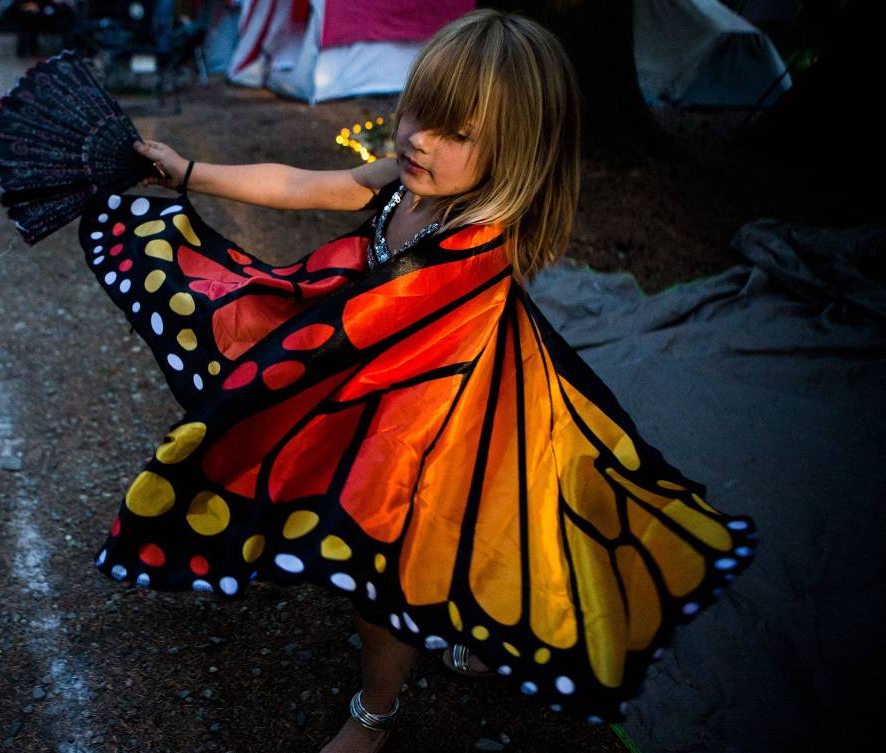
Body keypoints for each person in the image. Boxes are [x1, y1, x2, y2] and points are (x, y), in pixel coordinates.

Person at [80, 9, 758, 753]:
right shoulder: (404, 183)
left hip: (458, 401)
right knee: (421, 545)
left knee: (401, 555)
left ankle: (374, 714)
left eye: (453, 132)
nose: (416, 139)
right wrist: (190, 173)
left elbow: (390, 329)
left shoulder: (486, 232)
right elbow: (305, 184)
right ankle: (457, 629)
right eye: (416, 111)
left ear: (514, 153)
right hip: (385, 376)